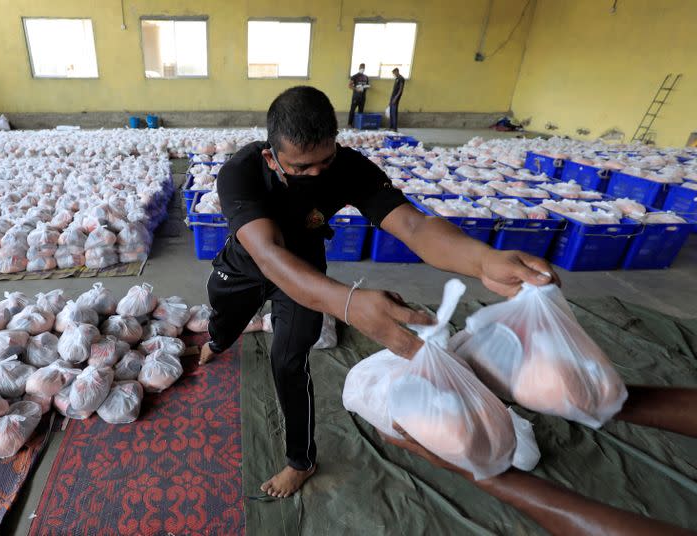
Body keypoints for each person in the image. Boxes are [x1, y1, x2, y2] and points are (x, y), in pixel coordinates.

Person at [199, 86, 559, 499]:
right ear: (271, 156)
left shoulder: (348, 168)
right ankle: (217, 340)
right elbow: (268, 254)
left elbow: (414, 226)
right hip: (247, 266)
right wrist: (348, 304)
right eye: (301, 167)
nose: (317, 174)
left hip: (307, 274)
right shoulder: (240, 172)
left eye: (325, 160)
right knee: (223, 318)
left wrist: (483, 260)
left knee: (289, 361)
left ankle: (301, 460)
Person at [347, 63, 370, 127]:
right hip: (356, 97)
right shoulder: (354, 76)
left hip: (363, 97)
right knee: (352, 110)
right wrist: (356, 89)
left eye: (363, 67)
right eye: (361, 67)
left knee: (361, 111)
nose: (362, 68)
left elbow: (367, 85)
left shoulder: (366, 77)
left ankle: (358, 124)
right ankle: (349, 124)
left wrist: (367, 87)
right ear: (359, 67)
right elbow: (349, 86)